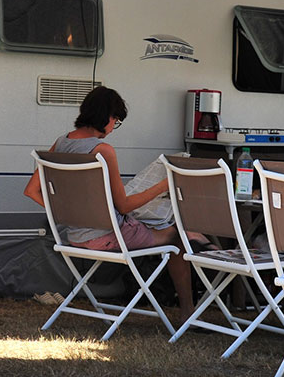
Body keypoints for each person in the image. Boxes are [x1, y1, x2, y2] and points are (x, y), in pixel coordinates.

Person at [24, 86, 195, 322]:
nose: (114, 126)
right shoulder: (103, 150)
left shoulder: (60, 143)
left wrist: (64, 214)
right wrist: (166, 184)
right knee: (176, 237)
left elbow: (31, 191)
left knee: (151, 225)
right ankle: (188, 312)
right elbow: (123, 206)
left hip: (75, 236)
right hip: (108, 236)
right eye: (116, 119)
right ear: (105, 115)